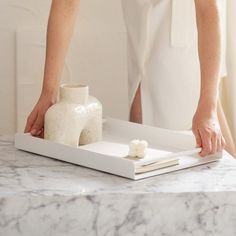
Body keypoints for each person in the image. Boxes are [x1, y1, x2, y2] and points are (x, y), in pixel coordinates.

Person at [24, 0, 236, 157]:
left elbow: (208, 9)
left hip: (186, 11)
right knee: (142, 106)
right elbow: (66, 4)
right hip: (140, 8)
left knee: (191, 111)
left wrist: (207, 106)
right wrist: (48, 93)